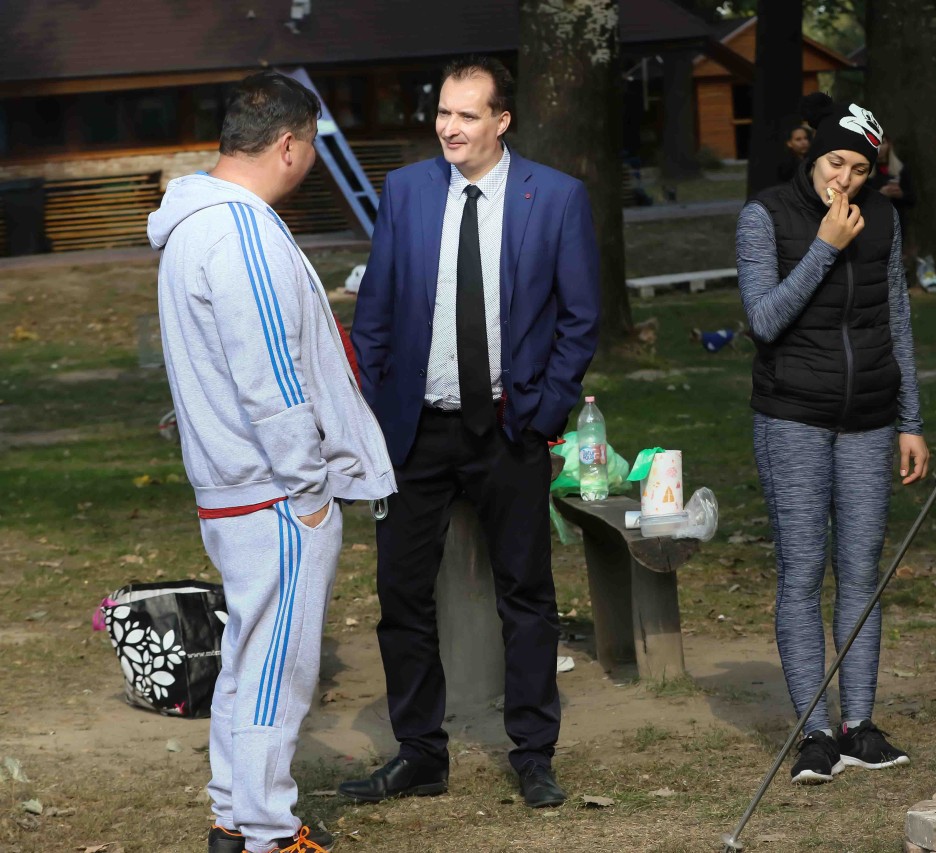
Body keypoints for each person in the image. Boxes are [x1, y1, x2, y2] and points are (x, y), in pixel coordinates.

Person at [147, 71, 396, 853]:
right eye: (314, 145)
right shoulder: (241, 232)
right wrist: (309, 487)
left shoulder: (193, 225)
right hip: (271, 490)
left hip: (234, 484)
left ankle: (235, 816)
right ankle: (267, 831)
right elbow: (272, 378)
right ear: (288, 145)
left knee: (249, 657)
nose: (313, 159)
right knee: (276, 671)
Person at [343, 56, 600, 808]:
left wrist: (545, 411)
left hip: (509, 430)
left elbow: (580, 318)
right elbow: (376, 310)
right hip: (415, 431)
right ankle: (420, 753)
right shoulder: (406, 191)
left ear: (501, 120)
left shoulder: (556, 197)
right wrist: (377, 406)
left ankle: (534, 753)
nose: (449, 128)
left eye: (466, 114)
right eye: (443, 113)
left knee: (527, 595)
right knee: (401, 597)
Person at [737, 92, 929, 784]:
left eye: (859, 168)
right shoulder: (765, 216)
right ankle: (815, 731)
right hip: (792, 415)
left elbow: (896, 317)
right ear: (812, 156)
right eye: (834, 163)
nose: (844, 180)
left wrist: (911, 420)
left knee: (861, 574)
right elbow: (763, 320)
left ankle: (859, 725)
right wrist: (825, 247)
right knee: (801, 572)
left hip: (870, 418)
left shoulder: (884, 219)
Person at [777, 117, 812, 185]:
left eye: (805, 138)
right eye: (798, 139)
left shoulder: (812, 160)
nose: (804, 142)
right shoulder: (786, 166)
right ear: (789, 143)